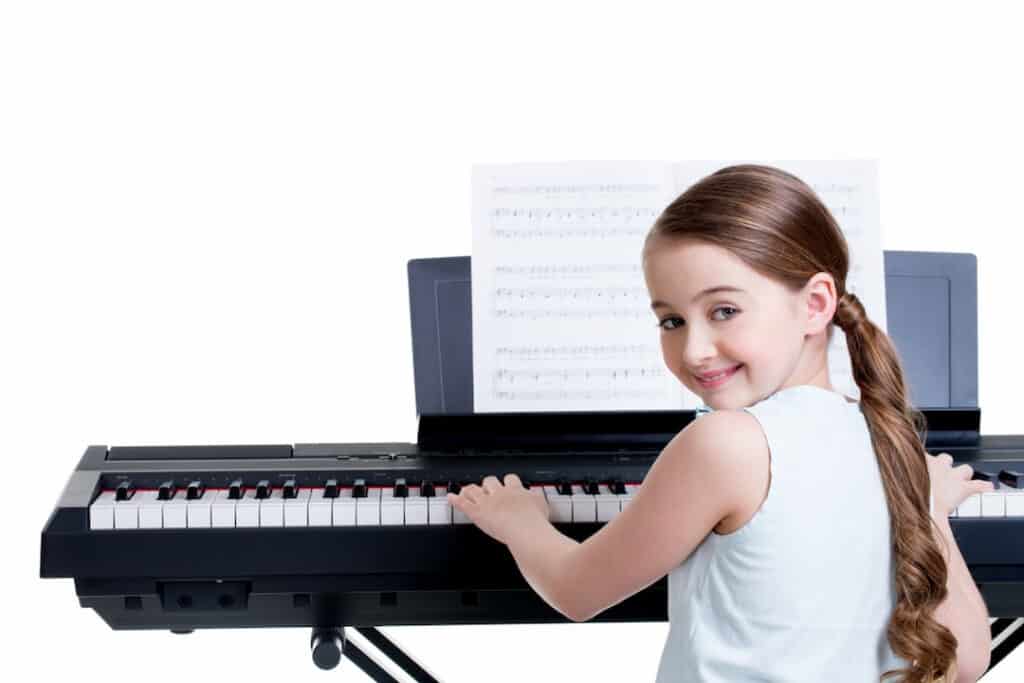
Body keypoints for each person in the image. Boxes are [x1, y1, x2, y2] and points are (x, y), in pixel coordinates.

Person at [447, 164, 994, 682]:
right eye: (671, 320)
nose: (695, 349)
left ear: (815, 304)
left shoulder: (725, 443)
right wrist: (931, 510)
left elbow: (576, 591)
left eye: (724, 310)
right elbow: (969, 660)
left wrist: (518, 521)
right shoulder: (887, 442)